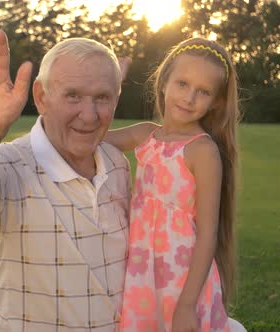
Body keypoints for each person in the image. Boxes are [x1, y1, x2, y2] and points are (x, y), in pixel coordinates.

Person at [0, 28, 131, 331]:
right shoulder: (11, 163)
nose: (89, 115)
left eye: (102, 98)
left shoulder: (116, 163)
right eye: (73, 95)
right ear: (41, 96)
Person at [104, 37, 243, 331]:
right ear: (165, 81)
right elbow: (94, 136)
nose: (189, 98)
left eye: (203, 91)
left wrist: (187, 304)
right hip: (143, 274)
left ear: (216, 101)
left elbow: (207, 232)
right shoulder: (146, 135)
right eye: (182, 84)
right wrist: (112, 87)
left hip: (182, 280)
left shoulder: (201, 151)